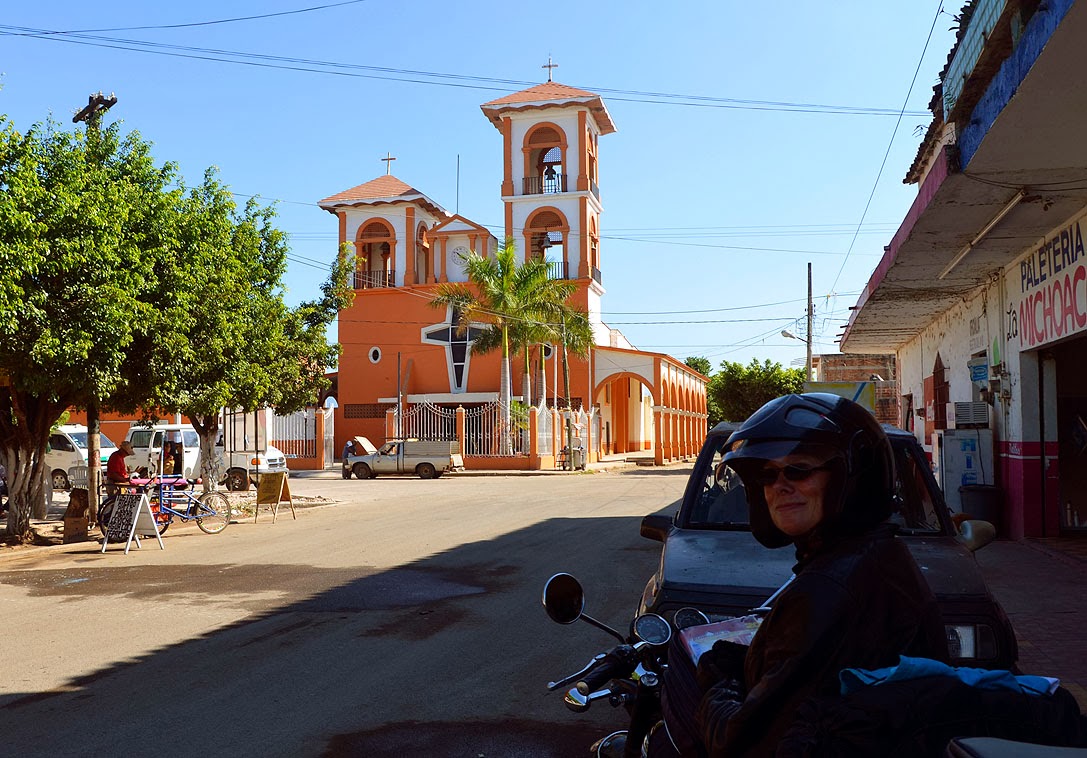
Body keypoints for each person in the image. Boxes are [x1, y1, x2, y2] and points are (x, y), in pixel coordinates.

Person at [692, 393, 948, 756]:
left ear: (851, 478)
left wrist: (718, 687)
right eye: (767, 474)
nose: (780, 486)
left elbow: (741, 743)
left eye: (799, 470)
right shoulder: (876, 557)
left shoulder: (828, 589)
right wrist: (746, 664)